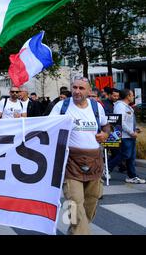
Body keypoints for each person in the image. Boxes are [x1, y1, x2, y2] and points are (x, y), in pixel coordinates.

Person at [50, 76, 110, 235]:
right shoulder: (61, 106)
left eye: (81, 88)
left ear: (89, 91)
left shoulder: (97, 107)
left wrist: (105, 134)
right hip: (70, 163)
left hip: (94, 162)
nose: (77, 91)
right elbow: (48, 128)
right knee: (75, 204)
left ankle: (76, 231)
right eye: (74, 87)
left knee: (90, 205)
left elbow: (106, 126)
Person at [107, 89, 145, 184]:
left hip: (129, 135)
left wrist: (135, 128)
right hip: (125, 136)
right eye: (132, 95)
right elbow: (121, 122)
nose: (133, 97)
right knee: (125, 155)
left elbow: (128, 121)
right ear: (128, 96)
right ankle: (107, 168)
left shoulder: (126, 107)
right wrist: (131, 132)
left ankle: (132, 176)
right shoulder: (120, 106)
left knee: (131, 157)